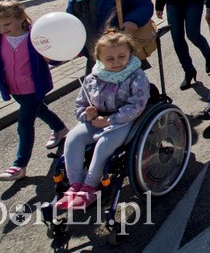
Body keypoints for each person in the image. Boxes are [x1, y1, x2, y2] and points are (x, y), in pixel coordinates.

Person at [0, 0, 68, 181]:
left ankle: (19, 166)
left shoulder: (36, 37)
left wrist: (52, 57)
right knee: (40, 110)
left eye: (7, 24)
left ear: (21, 18)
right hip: (14, 89)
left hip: (33, 88)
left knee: (24, 125)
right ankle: (60, 129)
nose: (2, 28)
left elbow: (55, 58)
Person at [55, 31, 150, 210]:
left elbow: (137, 105)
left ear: (130, 54)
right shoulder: (92, 78)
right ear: (99, 58)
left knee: (104, 144)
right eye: (110, 58)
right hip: (96, 118)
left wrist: (109, 120)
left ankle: (91, 185)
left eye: (122, 56)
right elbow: (80, 106)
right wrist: (87, 115)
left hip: (124, 120)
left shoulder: (136, 75)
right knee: (73, 138)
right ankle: (75, 185)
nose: (116, 62)